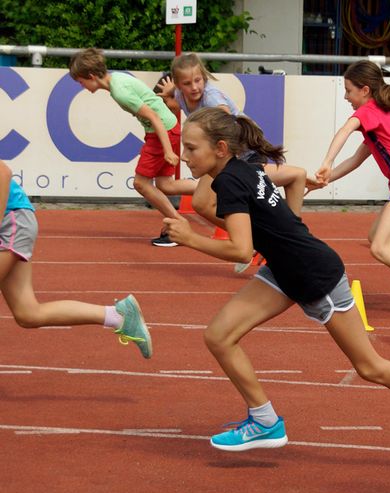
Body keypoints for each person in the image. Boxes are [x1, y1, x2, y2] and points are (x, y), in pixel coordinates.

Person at [161, 106, 390, 479]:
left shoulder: (234, 181)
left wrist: (190, 239)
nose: (184, 156)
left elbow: (239, 250)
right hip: (286, 270)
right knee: (219, 336)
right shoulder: (239, 170)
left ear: (220, 148)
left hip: (315, 276)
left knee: (370, 367)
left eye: (191, 149)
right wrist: (288, 229)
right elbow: (271, 188)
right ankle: (264, 420)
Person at [0, 160, 152, 359]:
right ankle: (119, 316)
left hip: (11, 221)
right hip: (13, 220)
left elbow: (3, 172)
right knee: (28, 314)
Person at [315, 60, 390, 309]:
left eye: (349, 90)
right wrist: (325, 179)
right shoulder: (380, 115)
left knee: (380, 247)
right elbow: (355, 160)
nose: (346, 96)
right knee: (379, 240)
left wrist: (326, 160)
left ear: (365, 90)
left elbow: (345, 130)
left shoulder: (369, 112)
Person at [156, 53, 314, 226]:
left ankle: (292, 184)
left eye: (198, 80)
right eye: (187, 83)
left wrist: (229, 160)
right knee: (202, 204)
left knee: (208, 202)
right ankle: (254, 236)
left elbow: (226, 121)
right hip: (226, 157)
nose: (194, 87)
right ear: (179, 85)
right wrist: (170, 92)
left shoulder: (211, 97)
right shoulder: (179, 94)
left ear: (205, 77)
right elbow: (176, 100)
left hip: (242, 152)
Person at [69, 48, 196, 248]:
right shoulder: (117, 79)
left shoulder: (119, 92)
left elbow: (154, 117)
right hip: (165, 129)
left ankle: (179, 225)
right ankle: (212, 190)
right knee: (165, 185)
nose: (81, 86)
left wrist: (168, 150)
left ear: (92, 76)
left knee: (141, 183)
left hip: (161, 131)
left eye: (80, 81)